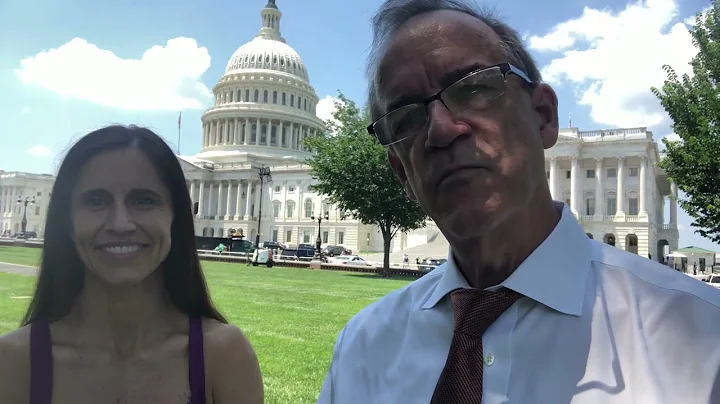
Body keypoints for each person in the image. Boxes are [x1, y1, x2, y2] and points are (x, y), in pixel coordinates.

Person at [318, 1, 720, 403]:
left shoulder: (702, 340)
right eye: (405, 118)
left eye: (473, 87)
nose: (439, 130)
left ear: (543, 116)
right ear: (401, 171)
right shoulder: (361, 351)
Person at [0, 125, 263, 403]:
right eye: (96, 201)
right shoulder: (14, 361)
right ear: (67, 222)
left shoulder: (223, 356)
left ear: (175, 216)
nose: (120, 224)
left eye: (143, 200)